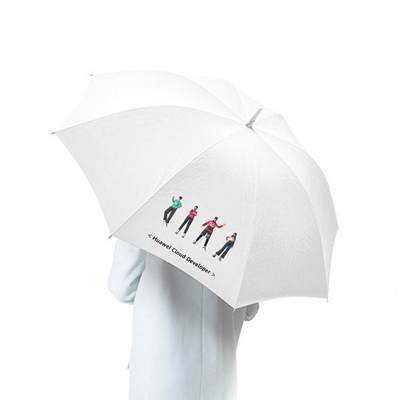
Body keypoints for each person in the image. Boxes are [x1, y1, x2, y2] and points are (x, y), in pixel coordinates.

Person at [108, 239, 259, 400]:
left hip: (159, 374)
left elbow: (122, 288)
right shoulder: (246, 233)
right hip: (219, 378)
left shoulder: (148, 224)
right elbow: (250, 309)